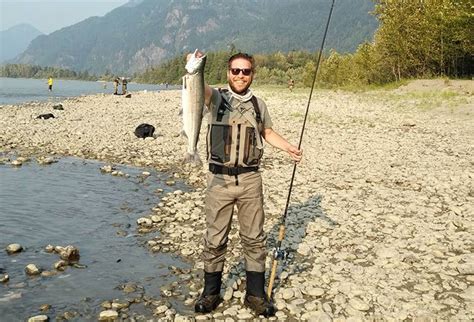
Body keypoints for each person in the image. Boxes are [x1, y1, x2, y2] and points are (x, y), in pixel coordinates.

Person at [191, 51, 302, 317]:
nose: (240, 76)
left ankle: (255, 295)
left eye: (246, 71)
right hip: (218, 179)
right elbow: (198, 86)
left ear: (252, 74)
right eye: (235, 71)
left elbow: (268, 132)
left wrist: (289, 147)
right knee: (214, 239)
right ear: (228, 73)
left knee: (254, 239)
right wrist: (194, 68)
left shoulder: (258, 105)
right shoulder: (214, 98)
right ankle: (210, 293)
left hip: (251, 180)